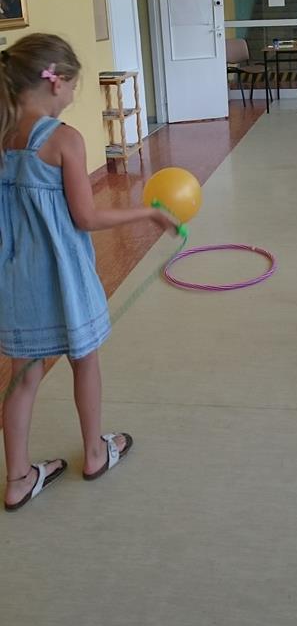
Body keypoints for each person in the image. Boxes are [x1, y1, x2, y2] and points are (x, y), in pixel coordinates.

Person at [0, 34, 176, 511]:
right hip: (64, 277)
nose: (74, 96)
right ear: (55, 82)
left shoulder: (2, 135)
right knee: (85, 361)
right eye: (74, 86)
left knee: (23, 377)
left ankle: (17, 479)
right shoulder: (64, 140)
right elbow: (87, 217)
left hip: (15, 279)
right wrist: (148, 212)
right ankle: (95, 453)